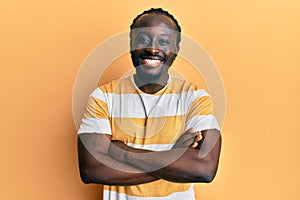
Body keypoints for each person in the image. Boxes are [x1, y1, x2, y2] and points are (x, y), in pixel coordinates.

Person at [77, 8, 222, 200]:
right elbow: (92, 170)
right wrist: (174, 156)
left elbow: (204, 169)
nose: (153, 49)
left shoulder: (195, 98)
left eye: (163, 41)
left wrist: (122, 152)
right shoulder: (103, 97)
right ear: (131, 44)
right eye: (143, 39)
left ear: (176, 49)